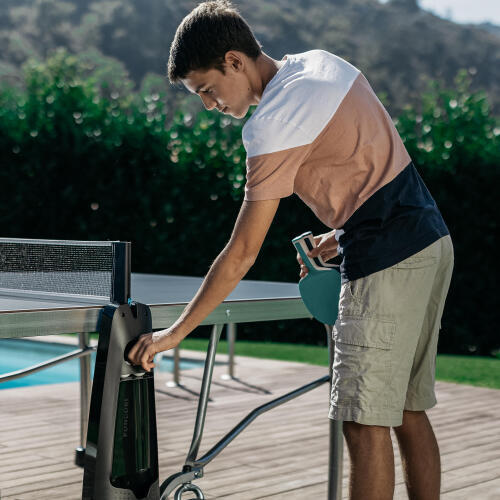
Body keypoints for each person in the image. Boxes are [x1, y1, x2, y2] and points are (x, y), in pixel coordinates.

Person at [127, 1, 454, 498]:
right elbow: (375, 169)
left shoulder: (270, 124)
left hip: (386, 262)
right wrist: (343, 234)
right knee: (408, 411)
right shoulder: (323, 64)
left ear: (235, 61)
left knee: (362, 423)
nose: (209, 105)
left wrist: (176, 333)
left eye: (208, 90)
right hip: (430, 240)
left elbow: (242, 252)